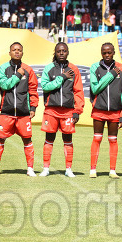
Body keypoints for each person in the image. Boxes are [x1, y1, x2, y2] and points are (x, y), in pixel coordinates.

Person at [0, 42, 39, 176]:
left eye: (19, 50)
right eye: (14, 50)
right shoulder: (3, 68)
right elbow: (4, 85)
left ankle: (30, 168)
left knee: (27, 140)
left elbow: (33, 90)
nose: (17, 52)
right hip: (7, 112)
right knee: (0, 139)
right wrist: (17, 75)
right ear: (9, 52)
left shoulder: (28, 70)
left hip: (23, 113)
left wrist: (33, 106)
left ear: (22, 53)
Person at [40, 42, 84, 178]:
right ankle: (46, 168)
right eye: (59, 51)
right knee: (49, 139)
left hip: (68, 111)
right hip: (51, 110)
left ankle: (68, 169)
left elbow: (78, 92)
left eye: (64, 51)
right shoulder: (49, 68)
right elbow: (45, 87)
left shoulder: (74, 70)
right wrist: (62, 77)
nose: (61, 53)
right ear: (55, 52)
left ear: (68, 52)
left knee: (68, 139)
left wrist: (77, 110)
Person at [89, 43, 122, 178]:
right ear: (101, 53)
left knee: (113, 140)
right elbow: (95, 89)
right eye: (104, 53)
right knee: (97, 138)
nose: (107, 55)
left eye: (109, 52)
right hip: (99, 109)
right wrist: (111, 74)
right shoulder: (95, 67)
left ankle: (112, 170)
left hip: (115, 111)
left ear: (114, 53)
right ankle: (93, 170)